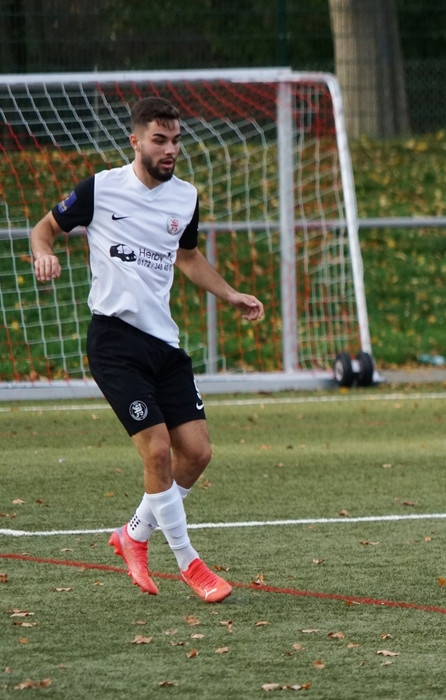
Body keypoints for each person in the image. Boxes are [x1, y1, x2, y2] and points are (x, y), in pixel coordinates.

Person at [30, 96, 265, 603]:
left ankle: (132, 535)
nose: (170, 149)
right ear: (135, 141)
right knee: (157, 451)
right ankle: (190, 564)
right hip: (114, 341)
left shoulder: (186, 197)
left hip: (164, 342)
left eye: (176, 140)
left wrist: (230, 294)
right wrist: (43, 252)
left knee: (197, 453)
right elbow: (42, 229)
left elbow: (188, 256)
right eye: (159, 140)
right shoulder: (101, 188)